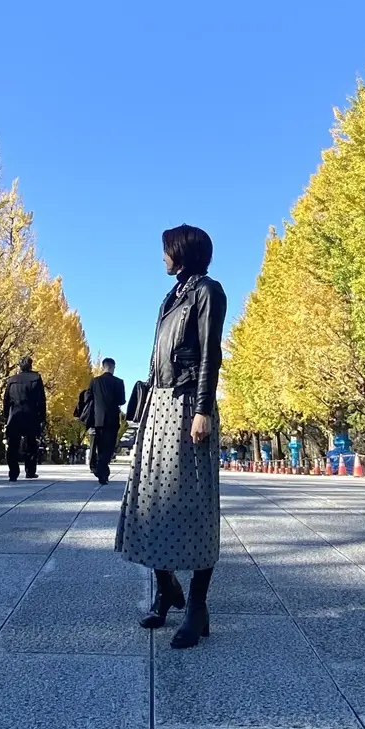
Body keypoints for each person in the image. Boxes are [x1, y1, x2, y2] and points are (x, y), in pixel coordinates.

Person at [116, 224, 227, 649]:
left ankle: (197, 606)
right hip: (159, 405)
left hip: (188, 404)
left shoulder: (208, 291)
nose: (162, 257)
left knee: (195, 504)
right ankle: (166, 588)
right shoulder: (171, 297)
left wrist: (203, 410)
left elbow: (210, 353)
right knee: (147, 502)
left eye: (166, 249)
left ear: (182, 251)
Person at [82, 358, 126, 486]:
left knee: (100, 447)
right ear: (113, 367)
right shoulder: (119, 382)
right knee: (109, 447)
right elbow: (121, 400)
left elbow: (87, 397)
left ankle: (102, 473)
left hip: (98, 418)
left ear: (103, 367)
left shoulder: (95, 381)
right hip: (112, 418)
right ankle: (102, 470)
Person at [3, 356, 46, 481]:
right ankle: (30, 471)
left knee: (13, 445)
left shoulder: (12, 380)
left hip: (15, 414)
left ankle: (13, 473)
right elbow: (41, 399)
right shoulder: (36, 378)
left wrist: (6, 416)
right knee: (31, 444)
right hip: (31, 414)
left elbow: (6, 400)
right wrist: (42, 417)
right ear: (31, 365)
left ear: (19, 366)